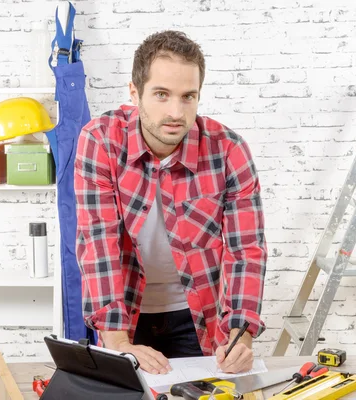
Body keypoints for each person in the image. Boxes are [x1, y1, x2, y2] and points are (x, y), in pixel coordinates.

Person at [74, 30, 267, 375]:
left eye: (188, 97)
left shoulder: (228, 150)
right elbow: (98, 243)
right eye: (161, 95)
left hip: (197, 318)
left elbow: (246, 250)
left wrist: (241, 335)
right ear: (134, 93)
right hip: (124, 317)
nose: (176, 112)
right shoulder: (100, 140)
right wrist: (117, 343)